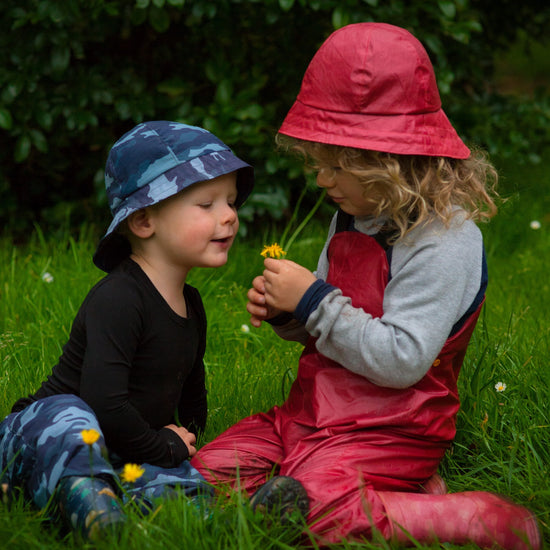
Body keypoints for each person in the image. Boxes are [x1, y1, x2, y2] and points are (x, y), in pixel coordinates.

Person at [190, 23, 541, 549]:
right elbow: (330, 328)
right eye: (318, 164)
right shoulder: (357, 211)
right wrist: (290, 315)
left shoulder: (445, 241)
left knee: (311, 510)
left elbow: (403, 360)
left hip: (394, 428)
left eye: (335, 167)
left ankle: (477, 518)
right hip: (311, 410)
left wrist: (313, 300)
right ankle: (382, 494)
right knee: (201, 477)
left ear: (389, 162)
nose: (320, 180)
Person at [0, 121, 254, 540]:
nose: (229, 215)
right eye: (207, 204)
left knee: (168, 476)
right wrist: (165, 446)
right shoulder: (118, 298)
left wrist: (181, 442)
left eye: (230, 202)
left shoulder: (192, 304)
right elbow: (105, 402)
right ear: (143, 221)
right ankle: (90, 505)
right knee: (75, 420)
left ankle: (217, 521)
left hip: (123, 445)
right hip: (42, 433)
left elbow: (192, 396)